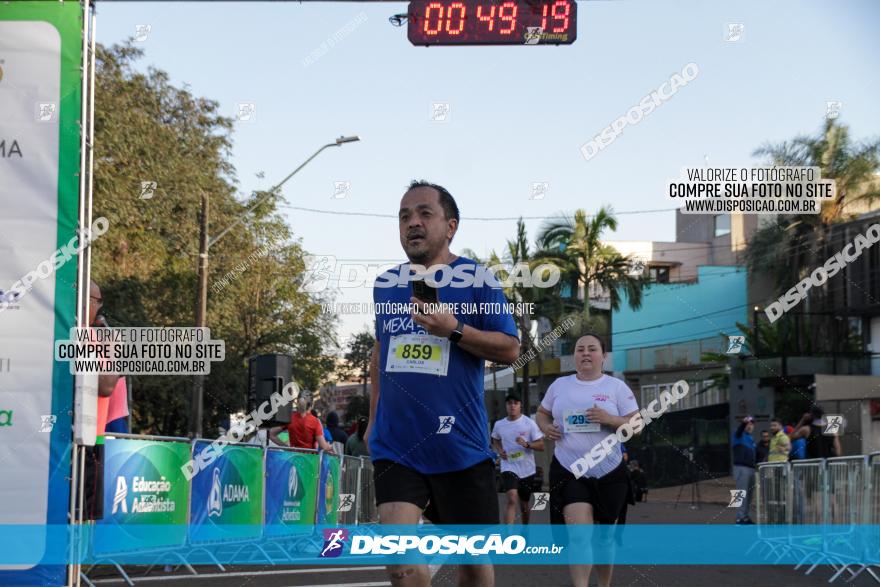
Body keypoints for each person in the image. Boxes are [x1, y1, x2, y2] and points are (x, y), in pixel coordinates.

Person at [366, 180, 520, 587]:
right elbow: (381, 353)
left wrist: (452, 329)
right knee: (401, 565)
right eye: (404, 216)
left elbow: (509, 349)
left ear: (450, 226)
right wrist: (372, 420)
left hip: (461, 450)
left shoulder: (478, 280)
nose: (412, 223)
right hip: (397, 446)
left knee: (474, 569)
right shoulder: (385, 285)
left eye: (423, 213)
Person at [536, 333, 640, 587]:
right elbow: (541, 413)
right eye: (580, 349)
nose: (585, 353)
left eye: (592, 349)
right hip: (570, 471)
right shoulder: (559, 386)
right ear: (574, 356)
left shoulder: (616, 387)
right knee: (579, 535)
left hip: (610, 471)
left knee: (605, 538)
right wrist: (546, 427)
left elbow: (637, 425)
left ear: (603, 356)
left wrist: (610, 419)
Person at [82, 280, 121, 520]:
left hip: (91, 433)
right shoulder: (86, 337)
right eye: (97, 301)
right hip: (88, 436)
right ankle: (76, 557)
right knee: (83, 511)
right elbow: (106, 386)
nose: (99, 308)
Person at [490, 391, 544, 524]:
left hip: (527, 469)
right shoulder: (499, 424)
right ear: (506, 406)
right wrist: (500, 450)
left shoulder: (529, 423)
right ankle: (509, 537)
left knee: (524, 503)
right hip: (508, 466)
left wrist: (527, 444)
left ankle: (525, 531)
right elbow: (495, 439)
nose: (512, 406)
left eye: (515, 403)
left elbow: (541, 445)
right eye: (509, 403)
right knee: (512, 498)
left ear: (520, 406)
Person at [269, 394, 335, 453]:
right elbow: (324, 446)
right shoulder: (315, 421)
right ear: (311, 405)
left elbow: (271, 434)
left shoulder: (290, 418)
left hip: (293, 458)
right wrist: (331, 446)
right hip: (309, 460)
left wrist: (286, 447)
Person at [731, 415, 756, 524]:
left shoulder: (751, 438)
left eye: (752, 424)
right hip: (741, 467)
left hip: (751, 468)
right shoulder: (738, 434)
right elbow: (740, 430)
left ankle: (745, 516)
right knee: (740, 493)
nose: (750, 426)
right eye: (748, 423)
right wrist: (743, 423)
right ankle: (739, 517)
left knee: (749, 494)